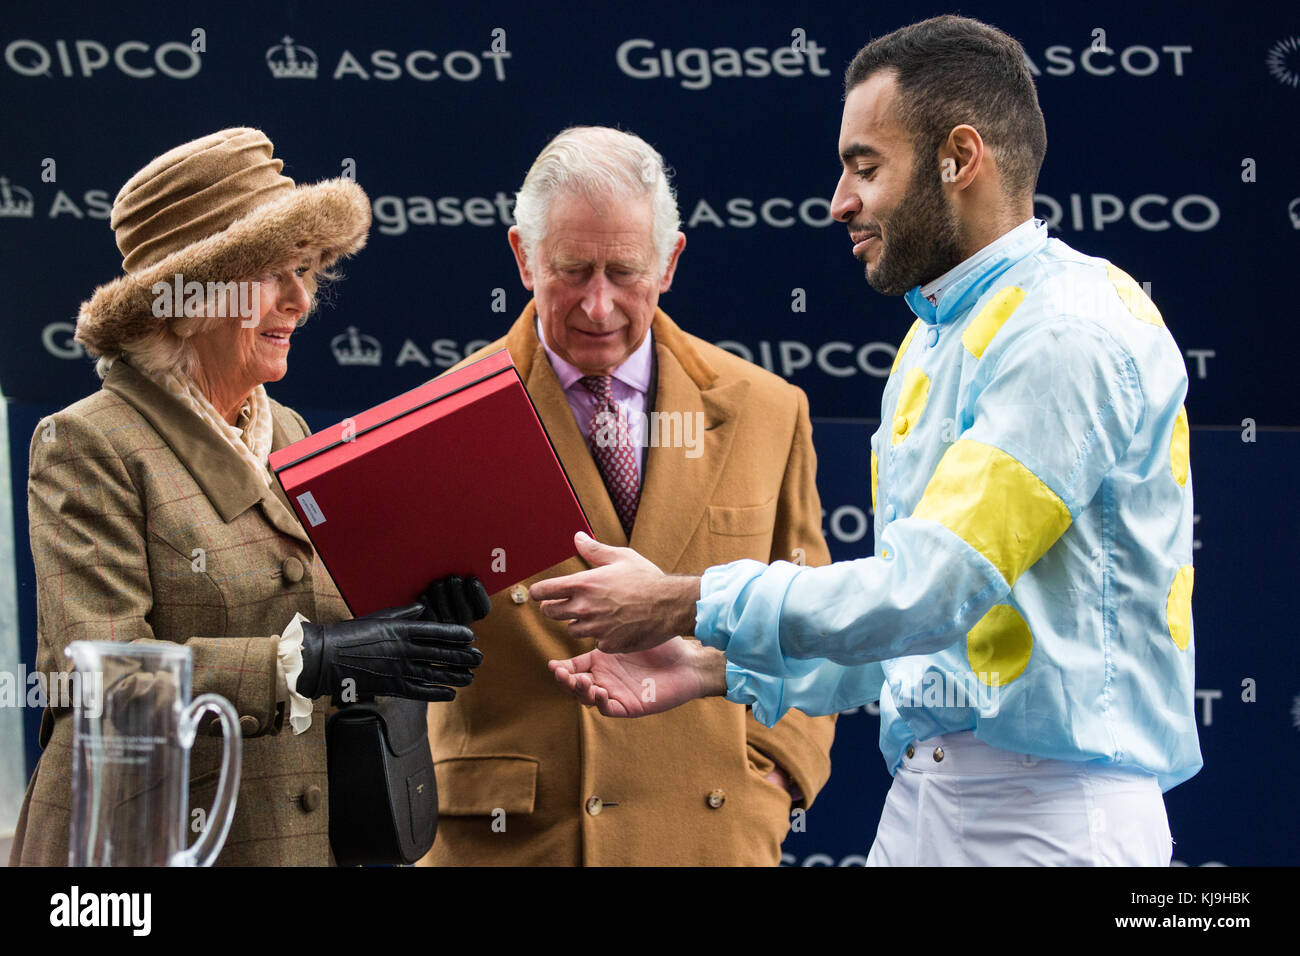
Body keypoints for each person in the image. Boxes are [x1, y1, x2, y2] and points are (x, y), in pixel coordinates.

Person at [539, 17, 1202, 866]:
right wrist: (709, 669)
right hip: (934, 804)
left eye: (865, 166)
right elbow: (919, 636)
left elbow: (930, 588)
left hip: (1053, 821)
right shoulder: (935, 335)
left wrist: (685, 600)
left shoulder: (1064, 330)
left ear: (960, 158)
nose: (838, 201)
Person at [11, 128, 484, 867]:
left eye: (304, 269)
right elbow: (104, 680)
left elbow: (314, 618)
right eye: (270, 274)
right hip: (152, 854)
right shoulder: (85, 443)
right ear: (186, 299)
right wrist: (306, 660)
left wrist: (406, 620)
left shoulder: (285, 426)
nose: (300, 299)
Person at [419, 126, 837, 866]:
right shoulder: (438, 421)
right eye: (573, 270)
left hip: (708, 833)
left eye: (625, 271)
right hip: (513, 846)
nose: (599, 305)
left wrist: (775, 773)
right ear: (522, 255)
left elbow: (810, 617)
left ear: (670, 262)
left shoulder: (769, 412)